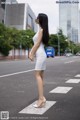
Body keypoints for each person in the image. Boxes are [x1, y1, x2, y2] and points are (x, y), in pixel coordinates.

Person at [29, 13, 49, 108]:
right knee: (40, 76)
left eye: (38, 17)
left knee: (37, 75)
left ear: (40, 19)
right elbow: (37, 44)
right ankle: (42, 97)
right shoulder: (41, 30)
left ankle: (41, 99)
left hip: (40, 54)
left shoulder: (41, 30)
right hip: (41, 54)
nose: (36, 19)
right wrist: (33, 53)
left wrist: (31, 53)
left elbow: (37, 45)